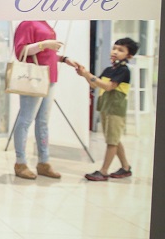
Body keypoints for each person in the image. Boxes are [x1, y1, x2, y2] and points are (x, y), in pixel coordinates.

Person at [11, 20, 77, 179]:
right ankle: (20, 162)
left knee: (43, 122)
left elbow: (45, 54)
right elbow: (21, 52)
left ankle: (44, 162)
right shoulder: (28, 23)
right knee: (25, 120)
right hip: (34, 78)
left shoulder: (43, 22)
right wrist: (44, 44)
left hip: (49, 77)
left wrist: (63, 59)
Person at [77, 37, 138, 181]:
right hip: (106, 109)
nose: (115, 52)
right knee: (114, 139)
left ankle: (103, 171)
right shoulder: (109, 70)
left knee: (112, 142)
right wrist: (84, 74)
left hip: (115, 110)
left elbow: (108, 86)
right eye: (114, 48)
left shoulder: (123, 70)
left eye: (120, 50)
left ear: (129, 56)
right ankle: (125, 167)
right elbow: (94, 84)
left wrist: (88, 75)